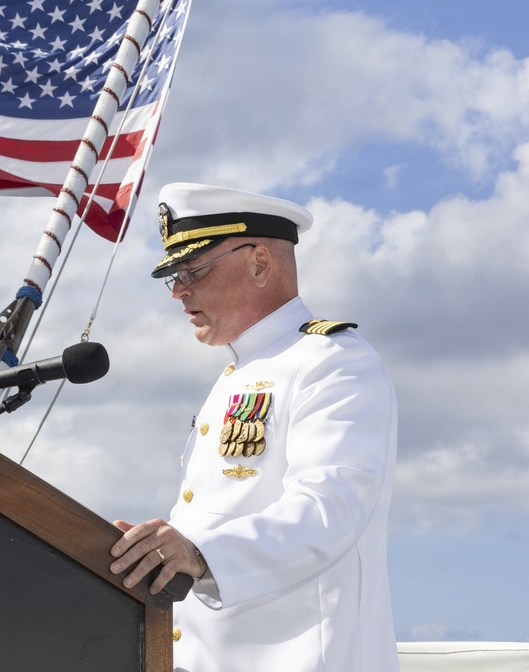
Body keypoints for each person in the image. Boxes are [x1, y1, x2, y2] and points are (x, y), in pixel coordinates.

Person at [109, 183, 399, 672]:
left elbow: (329, 510)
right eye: (174, 276)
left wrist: (198, 551)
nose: (179, 290)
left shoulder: (333, 362)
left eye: (192, 270)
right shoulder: (237, 375)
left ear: (260, 263)